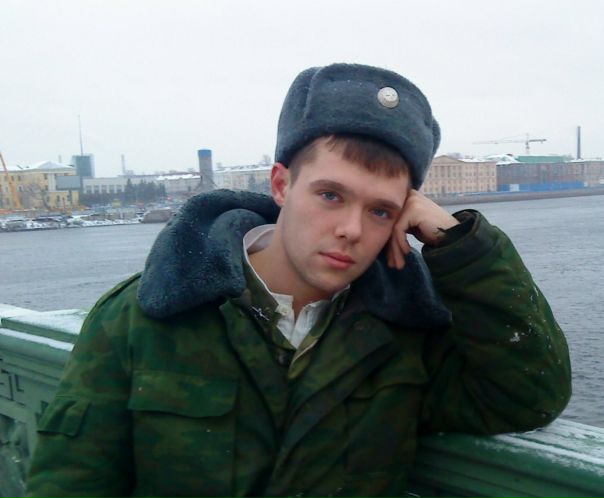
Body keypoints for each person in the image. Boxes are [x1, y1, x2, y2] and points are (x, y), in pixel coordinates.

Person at [26, 63, 571, 498]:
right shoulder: (143, 318)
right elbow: (71, 482)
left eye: (381, 211)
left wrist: (460, 245)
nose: (351, 229)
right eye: (330, 195)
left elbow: (528, 396)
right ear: (281, 185)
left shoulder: (403, 335)